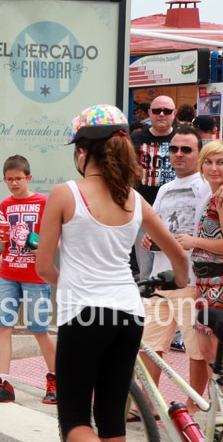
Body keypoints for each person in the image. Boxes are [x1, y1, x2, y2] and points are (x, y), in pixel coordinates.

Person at [36, 104, 189, 441]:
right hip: (129, 313)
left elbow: (43, 266)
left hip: (84, 313)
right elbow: (178, 256)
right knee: (111, 419)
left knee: (75, 421)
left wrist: (69, 284)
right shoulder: (133, 198)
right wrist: (178, 281)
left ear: (82, 152)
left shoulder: (65, 193)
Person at [138, 126, 209, 414]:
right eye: (174, 149)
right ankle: (148, 403)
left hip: (191, 280)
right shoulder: (164, 189)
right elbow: (157, 225)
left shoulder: (207, 186)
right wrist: (148, 237)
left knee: (195, 349)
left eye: (186, 149)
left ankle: (194, 406)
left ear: (198, 153)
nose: (178, 154)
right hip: (160, 278)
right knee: (150, 344)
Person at [0, 155, 56, 405]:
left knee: (39, 328)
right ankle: (3, 382)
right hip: (10, 273)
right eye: (9, 179)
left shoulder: (43, 202)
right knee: (3, 326)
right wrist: (0, 242)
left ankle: (56, 380)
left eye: (19, 178)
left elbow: (56, 237)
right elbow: (2, 243)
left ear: (28, 177)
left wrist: (42, 249)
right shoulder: (5, 204)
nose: (14, 183)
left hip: (36, 275)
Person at [177, 140, 223, 365]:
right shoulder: (210, 195)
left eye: (220, 162)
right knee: (207, 352)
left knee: (216, 353)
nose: (214, 168)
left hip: (219, 282)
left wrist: (194, 242)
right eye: (209, 162)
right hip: (204, 282)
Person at [132, 95, 178, 279]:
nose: (162, 114)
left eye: (167, 111)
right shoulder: (135, 139)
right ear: (149, 113)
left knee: (175, 269)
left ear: (174, 113)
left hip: (177, 215)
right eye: (157, 110)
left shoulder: (182, 138)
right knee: (146, 271)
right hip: (144, 214)